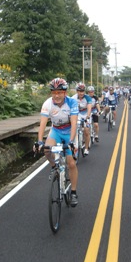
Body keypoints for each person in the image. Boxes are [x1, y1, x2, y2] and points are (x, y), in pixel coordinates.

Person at [34, 78, 80, 207]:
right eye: (54, 92)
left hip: (69, 131)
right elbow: (43, 123)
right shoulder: (48, 103)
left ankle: (74, 192)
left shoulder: (72, 102)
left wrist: (71, 142)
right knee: (47, 150)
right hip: (56, 131)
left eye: (59, 92)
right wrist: (39, 141)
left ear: (65, 93)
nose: (56, 95)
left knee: (71, 163)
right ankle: (54, 166)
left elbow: (74, 122)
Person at [72, 83, 92, 155]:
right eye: (80, 91)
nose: (81, 93)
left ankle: (86, 148)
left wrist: (88, 116)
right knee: (73, 129)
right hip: (77, 115)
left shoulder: (88, 98)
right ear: (77, 91)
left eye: (83, 91)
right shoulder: (73, 98)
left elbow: (89, 107)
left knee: (86, 131)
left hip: (85, 115)